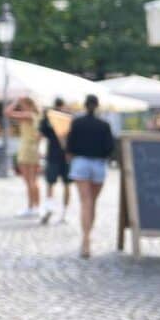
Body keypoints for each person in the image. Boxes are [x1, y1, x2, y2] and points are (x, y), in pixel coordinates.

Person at [66, 94, 115, 259]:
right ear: (97, 106)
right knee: (93, 202)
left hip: (81, 163)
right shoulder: (104, 125)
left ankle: (85, 240)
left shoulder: (77, 123)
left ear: (85, 105)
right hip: (98, 164)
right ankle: (88, 237)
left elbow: (70, 145)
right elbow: (110, 148)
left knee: (85, 202)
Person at [5, 96, 41, 218]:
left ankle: (31, 207)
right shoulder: (36, 115)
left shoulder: (28, 115)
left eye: (22, 105)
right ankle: (36, 206)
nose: (21, 107)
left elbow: (7, 112)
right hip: (33, 148)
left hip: (27, 149)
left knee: (29, 181)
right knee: (33, 181)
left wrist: (15, 101)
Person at [39, 98, 70, 224]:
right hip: (67, 155)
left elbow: (41, 134)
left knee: (50, 183)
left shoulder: (48, 117)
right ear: (63, 105)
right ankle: (64, 213)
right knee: (67, 184)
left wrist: (39, 150)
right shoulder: (68, 117)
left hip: (52, 153)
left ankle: (49, 207)